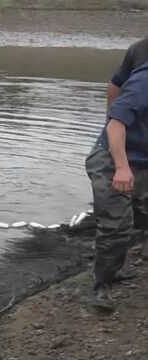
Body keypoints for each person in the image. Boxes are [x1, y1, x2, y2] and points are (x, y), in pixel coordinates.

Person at [86, 61, 148, 311]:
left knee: (141, 216)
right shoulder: (144, 81)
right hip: (112, 158)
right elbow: (115, 123)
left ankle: (117, 266)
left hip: (142, 160)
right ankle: (102, 286)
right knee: (116, 225)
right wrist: (122, 167)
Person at [107, 38, 148, 261]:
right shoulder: (139, 53)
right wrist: (113, 120)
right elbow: (116, 85)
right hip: (134, 142)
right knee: (124, 208)